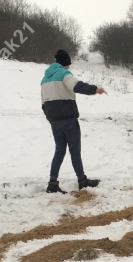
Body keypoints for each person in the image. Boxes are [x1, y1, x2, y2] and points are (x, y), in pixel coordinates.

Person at [41, 49, 107, 193]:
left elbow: (43, 103)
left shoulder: (44, 79)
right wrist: (95, 89)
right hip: (69, 120)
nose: (69, 67)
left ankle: (53, 183)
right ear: (66, 63)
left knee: (59, 150)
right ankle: (82, 181)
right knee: (75, 151)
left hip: (55, 122)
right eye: (68, 64)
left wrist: (51, 118)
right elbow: (77, 86)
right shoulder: (64, 74)